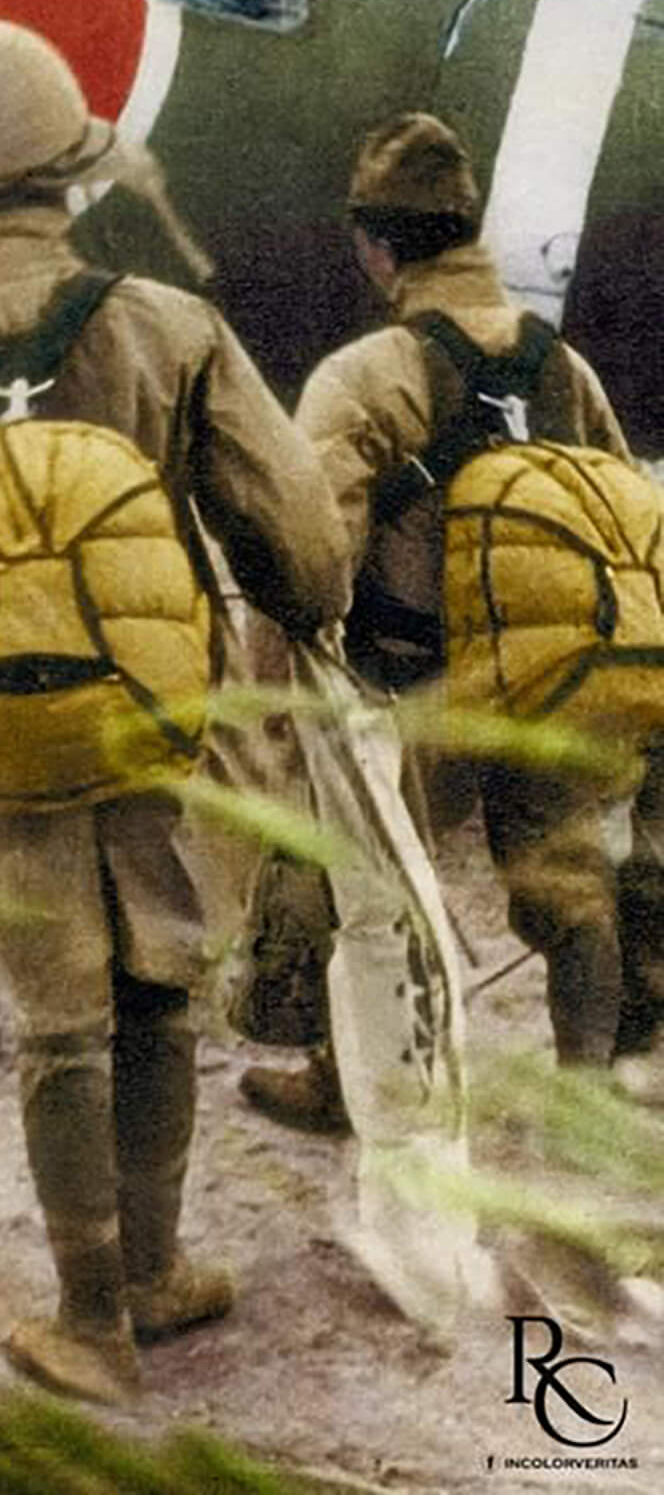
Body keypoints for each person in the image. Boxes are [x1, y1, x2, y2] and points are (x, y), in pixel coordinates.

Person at [0, 20, 350, 1403]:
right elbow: (300, 539)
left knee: (59, 1021)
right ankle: (155, 1270)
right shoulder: (168, 328)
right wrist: (301, 609)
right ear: (68, 171)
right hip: (160, 725)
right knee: (155, 986)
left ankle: (88, 1316)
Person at [263, 111, 662, 1080]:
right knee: (569, 887)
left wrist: (282, 701)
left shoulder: (363, 376)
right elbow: (625, 516)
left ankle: (341, 1083)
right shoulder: (563, 368)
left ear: (374, 247)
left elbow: (313, 560)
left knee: (362, 881)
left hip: (420, 686)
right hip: (554, 675)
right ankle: (587, 1092)